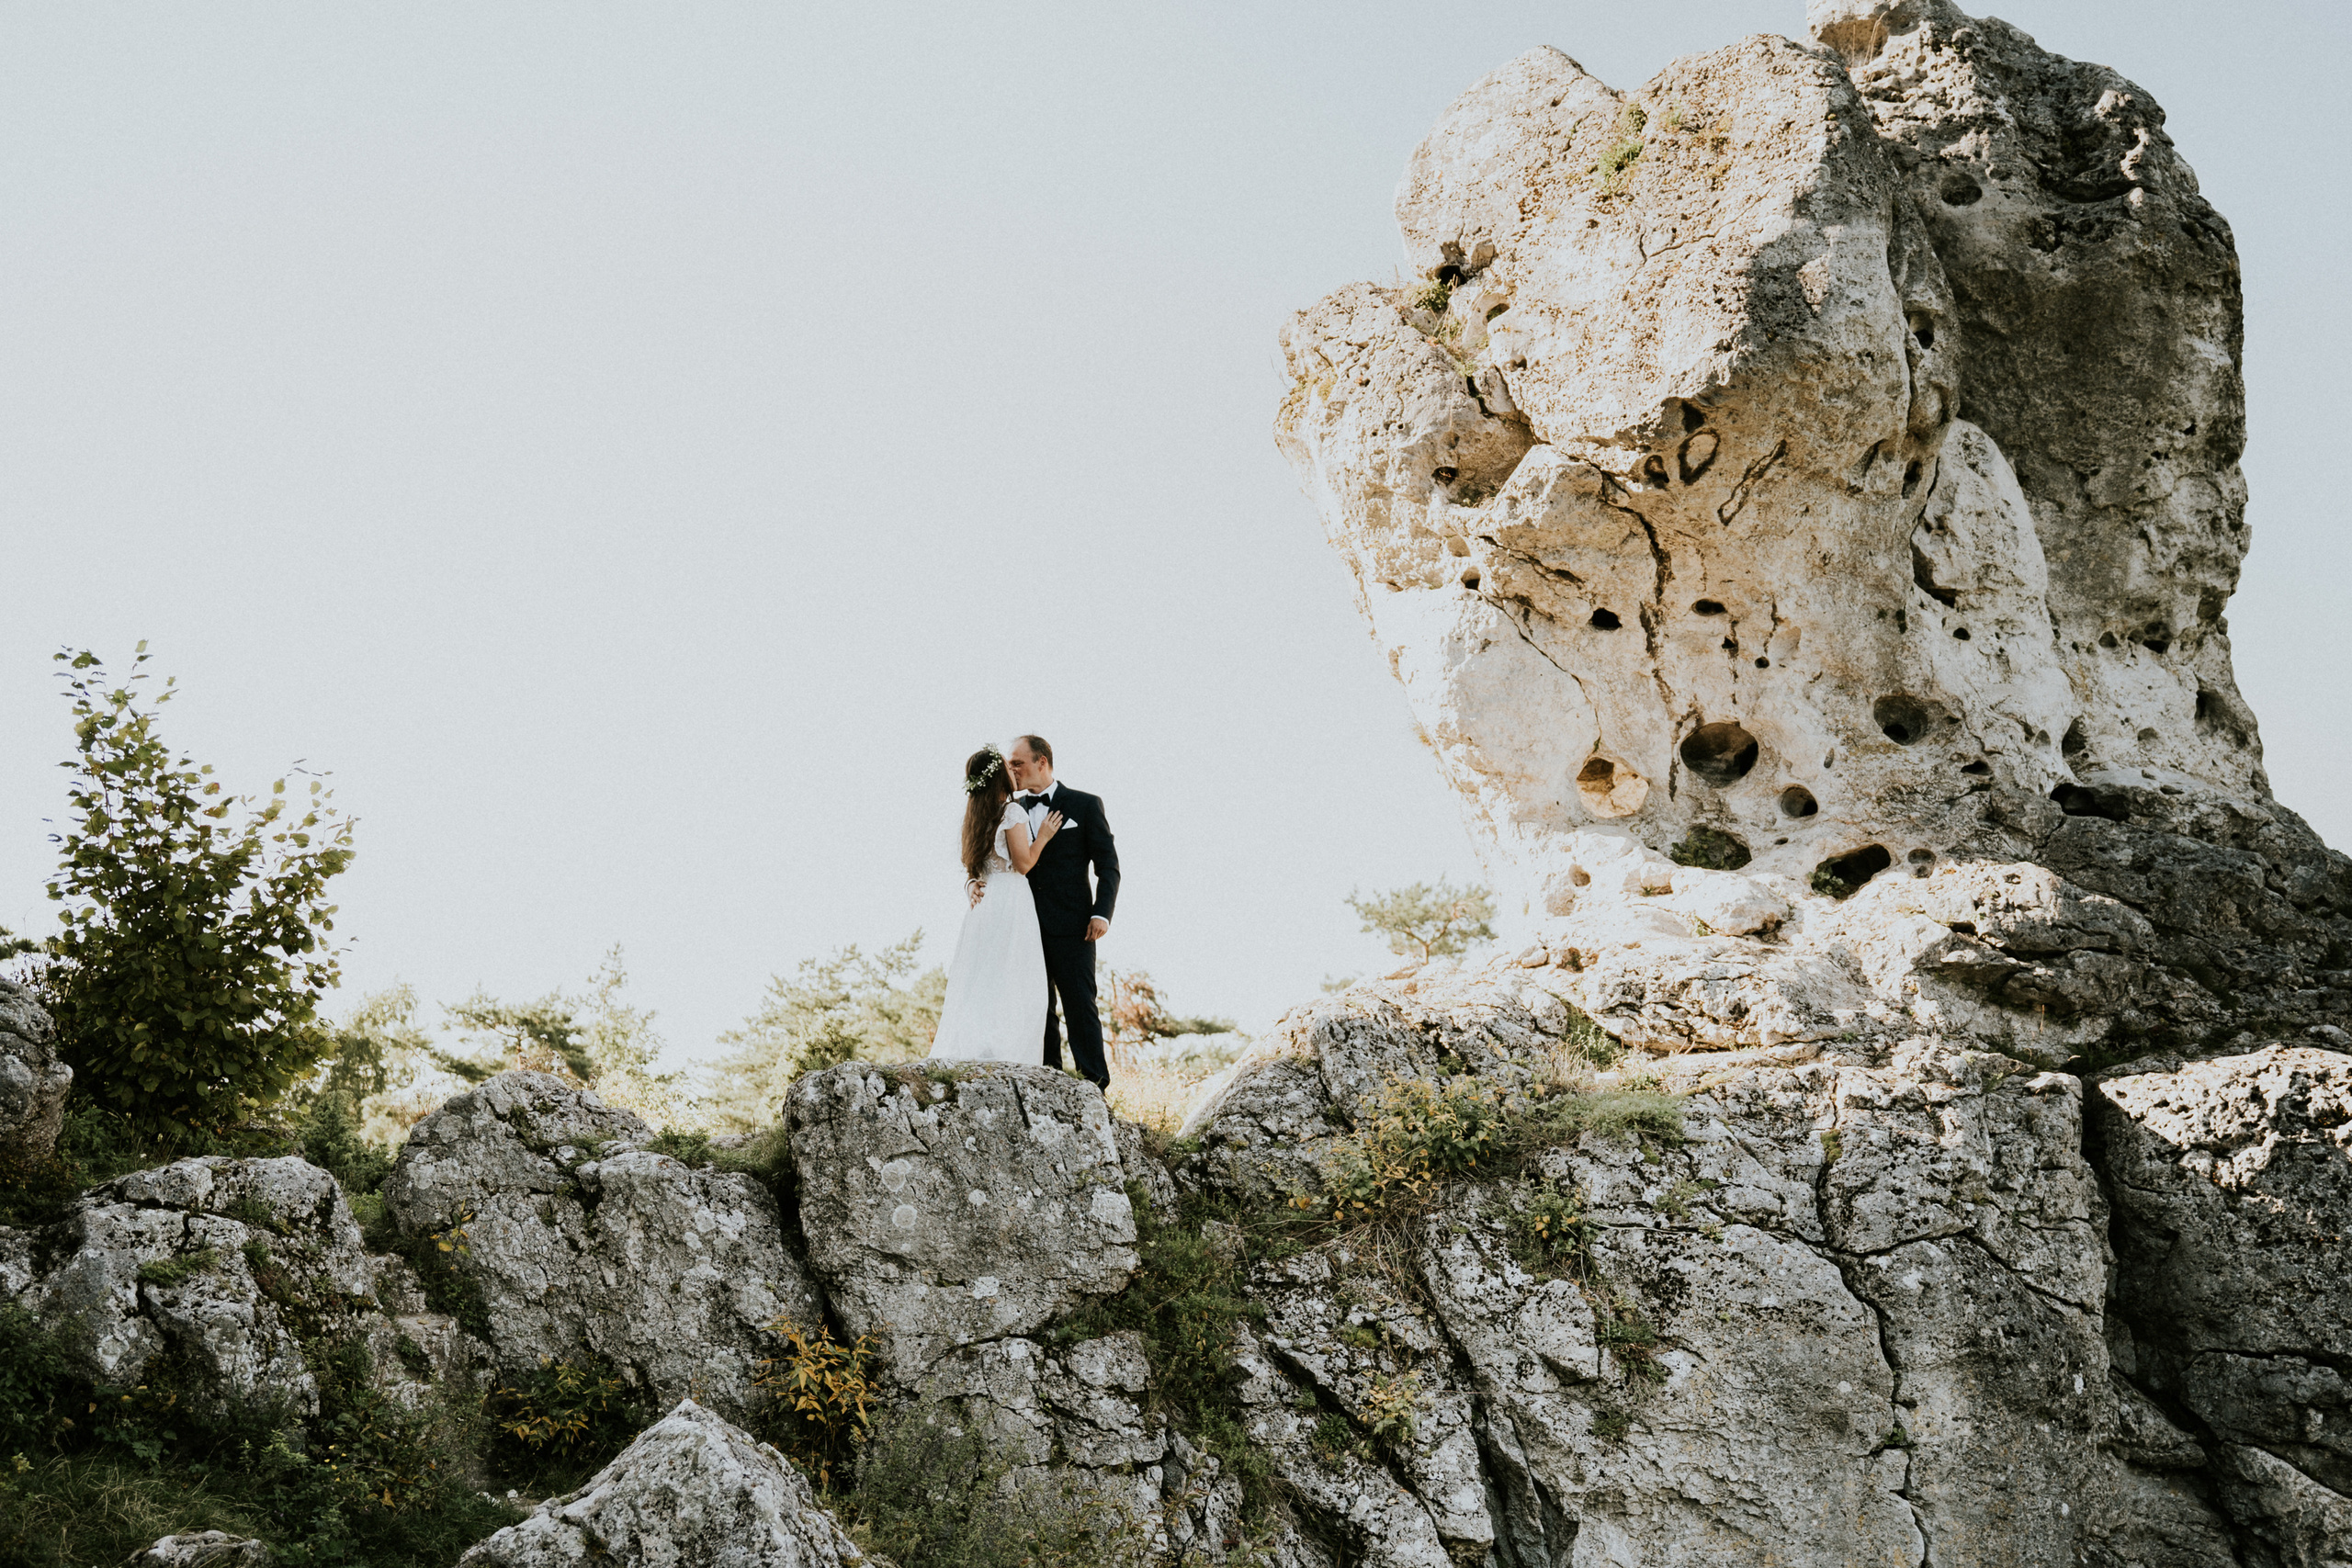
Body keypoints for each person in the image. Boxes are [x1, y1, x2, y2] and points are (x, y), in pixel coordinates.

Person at [927, 746, 1059, 1064]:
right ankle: (1003, 1052)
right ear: (997, 775)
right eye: (1007, 767)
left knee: (982, 980)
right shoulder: (1012, 812)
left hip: (984, 905)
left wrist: (971, 883)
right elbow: (1023, 863)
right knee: (1015, 978)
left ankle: (976, 1048)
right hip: (1011, 901)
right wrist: (1042, 836)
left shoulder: (975, 817)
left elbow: (972, 866)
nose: (1014, 772)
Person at [1005, 735, 1119, 1090]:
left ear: (1042, 762)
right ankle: (1048, 1079)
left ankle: (1095, 1085)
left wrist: (1102, 913)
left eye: (1017, 763)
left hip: (1075, 926)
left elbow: (1108, 866)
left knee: (1080, 1004)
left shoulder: (1084, 805)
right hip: (1025, 923)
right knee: (1038, 1006)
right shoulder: (1012, 810)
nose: (1012, 770)